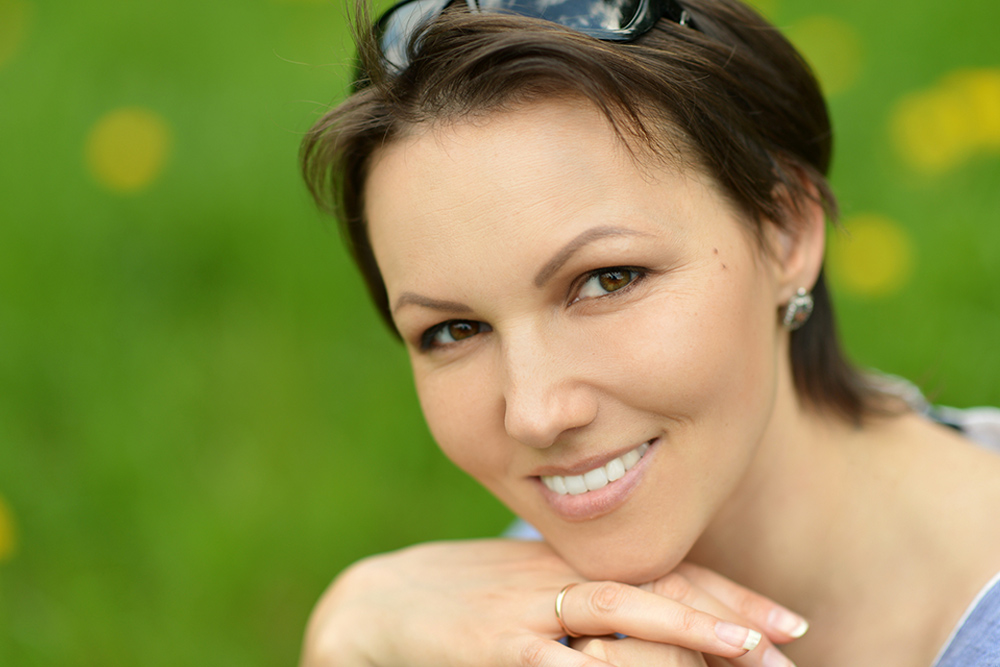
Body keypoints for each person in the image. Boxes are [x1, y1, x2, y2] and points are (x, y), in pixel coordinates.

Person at [296, 0, 1000, 664]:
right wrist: (350, 630)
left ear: (786, 230)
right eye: (454, 329)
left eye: (607, 279)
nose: (536, 412)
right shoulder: (498, 621)